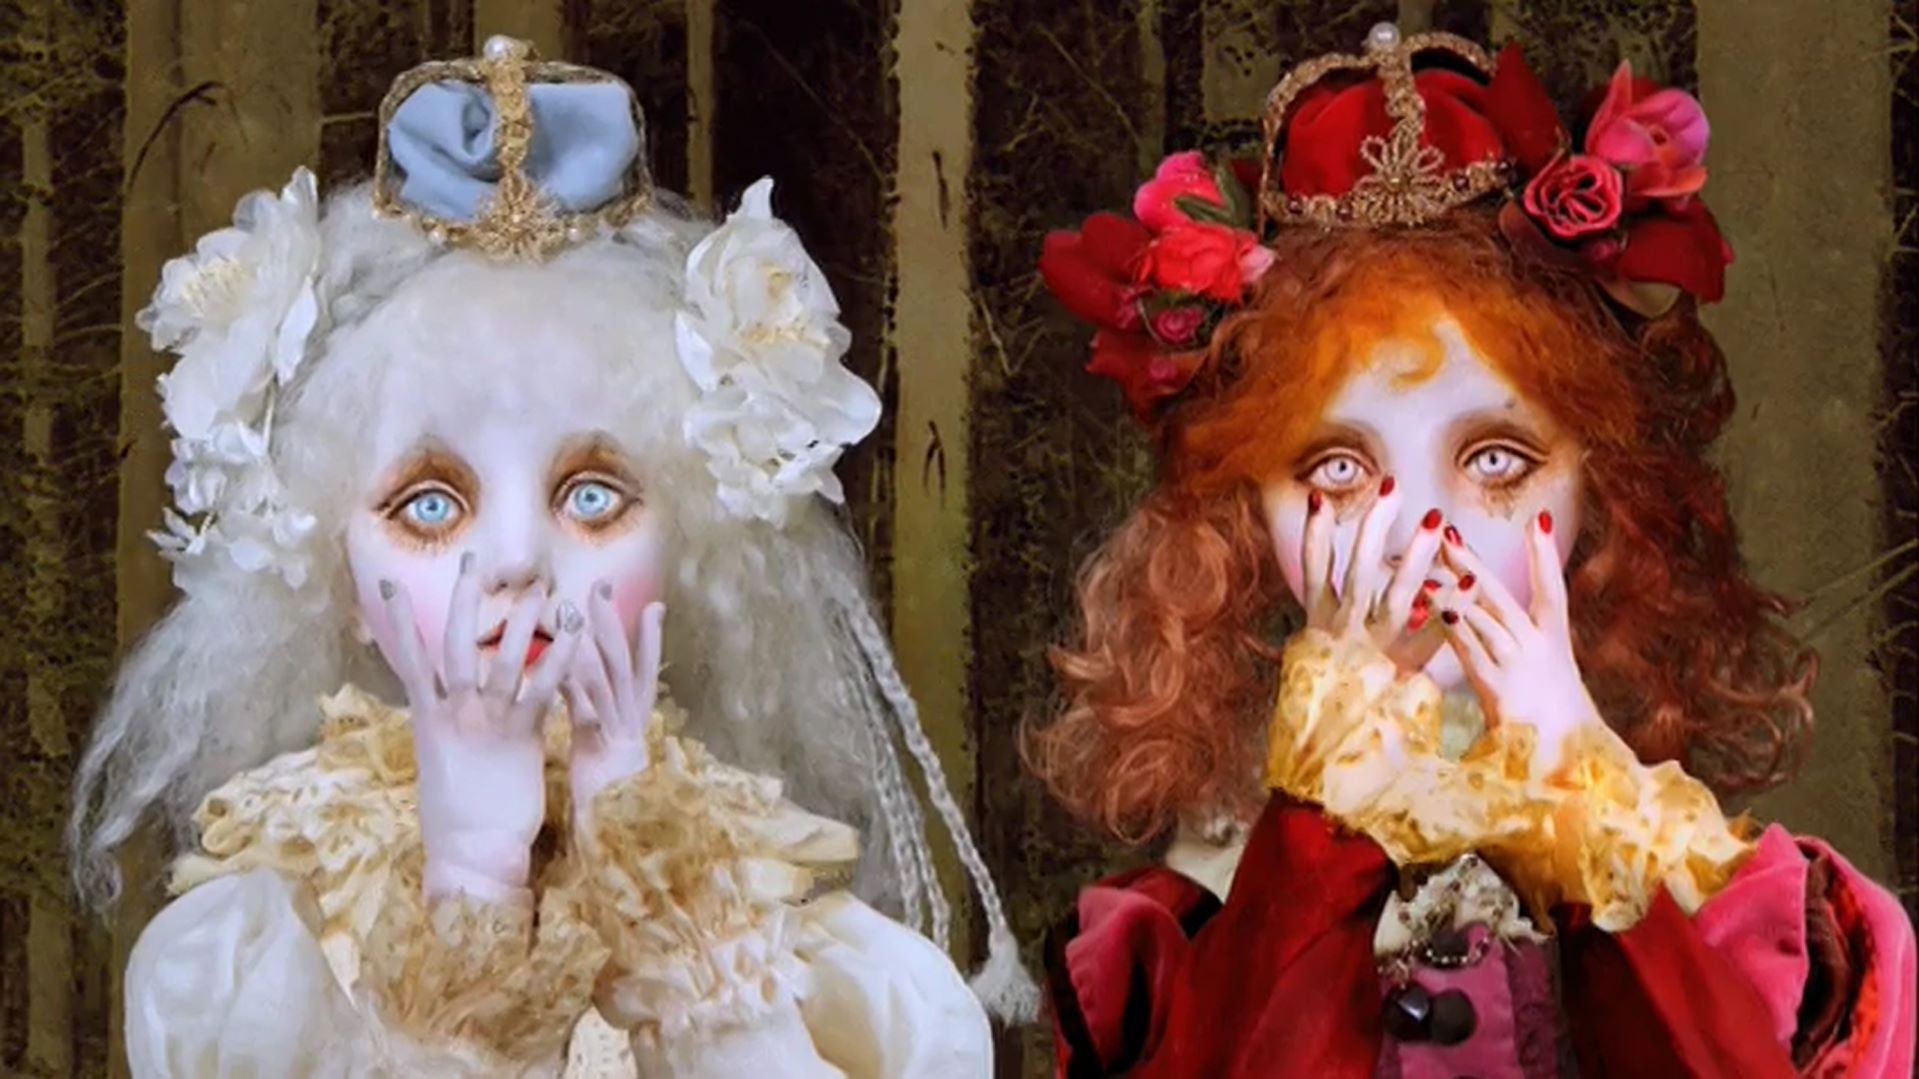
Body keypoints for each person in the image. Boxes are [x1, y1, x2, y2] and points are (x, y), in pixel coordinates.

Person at [72, 36, 1027, 1076]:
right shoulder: (269, 950)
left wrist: (660, 893)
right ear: (331, 573)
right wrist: (471, 887)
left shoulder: (766, 934)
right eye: (430, 506)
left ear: (694, 543)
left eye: (591, 497)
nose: (517, 562)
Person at [1029, 24, 1915, 1077]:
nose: (1419, 531)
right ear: (1243, 514)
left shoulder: (1765, 924)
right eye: (1338, 470)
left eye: (1495, 460)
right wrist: (1317, 831)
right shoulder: (1170, 951)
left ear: (1598, 485)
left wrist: (1578, 801)